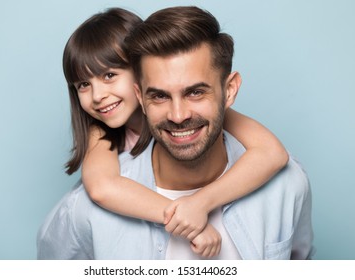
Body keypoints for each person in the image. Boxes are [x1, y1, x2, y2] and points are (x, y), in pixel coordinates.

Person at [37, 6, 313, 259]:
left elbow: (272, 153)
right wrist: (185, 220)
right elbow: (102, 188)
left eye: (109, 75)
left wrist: (201, 203)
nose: (98, 96)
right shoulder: (101, 144)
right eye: (83, 84)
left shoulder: (285, 185)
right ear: (141, 91)